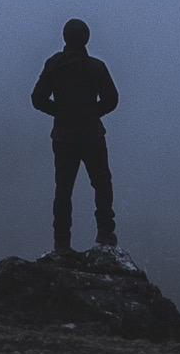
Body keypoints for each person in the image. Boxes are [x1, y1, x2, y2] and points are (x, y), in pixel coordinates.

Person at [30, 17, 119, 253]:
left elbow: (37, 99)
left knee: (63, 189)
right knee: (101, 182)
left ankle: (61, 242)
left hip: (63, 136)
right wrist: (91, 113)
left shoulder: (54, 64)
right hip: (91, 134)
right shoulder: (96, 67)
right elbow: (112, 100)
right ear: (86, 39)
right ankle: (106, 234)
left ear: (65, 38)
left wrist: (61, 112)